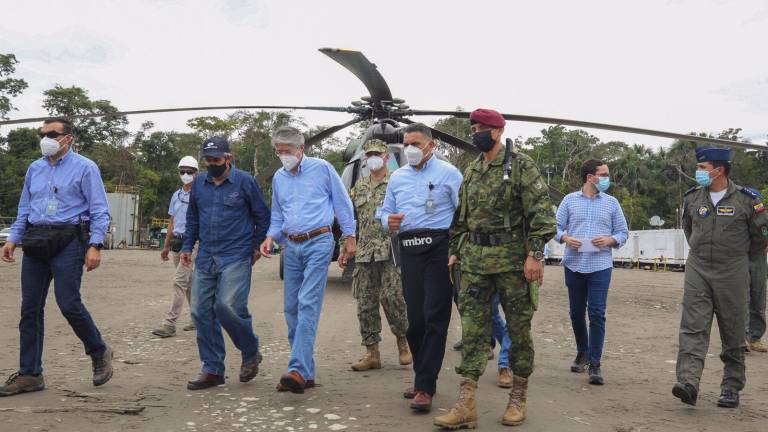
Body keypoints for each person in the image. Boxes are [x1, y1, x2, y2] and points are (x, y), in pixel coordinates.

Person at [434, 108, 556, 429]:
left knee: (518, 330)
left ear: (497, 131)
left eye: (481, 128)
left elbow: (543, 217)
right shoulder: (472, 170)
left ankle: (518, 395)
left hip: (513, 264)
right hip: (474, 263)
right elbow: (460, 220)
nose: (475, 132)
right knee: (473, 332)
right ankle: (466, 404)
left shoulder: (521, 167)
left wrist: (534, 255)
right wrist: (456, 252)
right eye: (473, 127)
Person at [0, 117, 114, 396]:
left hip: (69, 241)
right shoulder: (34, 169)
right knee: (30, 309)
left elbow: (100, 209)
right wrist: (13, 239)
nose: (46, 138)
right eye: (43, 134)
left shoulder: (86, 168)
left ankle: (99, 351)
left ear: (68, 138)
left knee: (68, 303)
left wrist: (95, 244)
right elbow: (24, 209)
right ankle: (30, 374)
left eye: (52, 133)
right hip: (37, 241)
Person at [259, 126, 356, 394]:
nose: (283, 156)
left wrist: (350, 235)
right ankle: (306, 372)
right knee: (291, 307)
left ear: (301, 150)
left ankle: (297, 369)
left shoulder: (322, 168)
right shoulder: (279, 177)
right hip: (291, 245)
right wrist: (270, 237)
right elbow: (278, 214)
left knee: (308, 303)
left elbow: (342, 203)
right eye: (279, 152)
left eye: (287, 152)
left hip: (319, 241)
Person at [672, 147, 768, 409]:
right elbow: (688, 228)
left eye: (702, 168)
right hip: (698, 268)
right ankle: (688, 382)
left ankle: (731, 387)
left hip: (733, 269)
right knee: (692, 326)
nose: (698, 172)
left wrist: (740, 262)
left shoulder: (748, 200)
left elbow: (761, 238)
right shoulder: (692, 198)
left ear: (719, 170)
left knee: (733, 328)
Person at [380, 122, 463, 412]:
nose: (410, 149)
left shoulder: (449, 174)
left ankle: (425, 387)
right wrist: (386, 221)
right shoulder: (397, 177)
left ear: (432, 146)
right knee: (414, 320)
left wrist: (457, 250)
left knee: (434, 317)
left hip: (439, 247)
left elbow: (462, 214)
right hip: (409, 248)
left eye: (416, 144)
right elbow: (385, 211)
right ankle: (421, 378)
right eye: (407, 144)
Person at [181, 136, 270, 390]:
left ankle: (250, 351)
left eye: (217, 159)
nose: (212, 164)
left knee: (228, 306)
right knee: (199, 311)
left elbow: (262, 216)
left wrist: (256, 246)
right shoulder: (199, 184)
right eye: (208, 160)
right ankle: (212, 368)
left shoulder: (244, 182)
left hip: (236, 254)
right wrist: (187, 246)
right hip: (207, 255)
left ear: (228, 158)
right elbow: (193, 220)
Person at [555, 159, 629, 385]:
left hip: (600, 265)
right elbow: (554, 228)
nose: (607, 178)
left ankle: (595, 363)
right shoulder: (569, 200)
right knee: (576, 313)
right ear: (590, 177)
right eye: (604, 174)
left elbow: (623, 232)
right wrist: (566, 238)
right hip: (574, 264)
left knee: (596, 312)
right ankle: (582, 352)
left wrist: (610, 239)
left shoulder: (612, 203)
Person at [340, 139, 411, 371]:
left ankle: (403, 341)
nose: (372, 158)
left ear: (386, 157)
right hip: (364, 253)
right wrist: (344, 244)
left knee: (393, 298)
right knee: (365, 304)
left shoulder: (397, 183)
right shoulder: (358, 187)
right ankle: (372, 352)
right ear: (364, 159)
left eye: (377, 154)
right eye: (369, 154)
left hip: (390, 250)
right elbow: (349, 219)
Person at [152, 156, 200, 338]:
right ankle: (198, 318)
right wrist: (165, 246)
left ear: (196, 174)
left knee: (179, 281)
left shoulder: (200, 195)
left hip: (192, 243)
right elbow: (171, 222)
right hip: (177, 242)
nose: (186, 175)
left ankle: (169, 324)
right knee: (188, 283)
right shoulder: (176, 195)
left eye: (190, 172)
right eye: (183, 172)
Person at [745, 222, 767, 353]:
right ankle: (742, 338)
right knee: (742, 299)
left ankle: (755, 338)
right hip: (741, 255)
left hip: (759, 256)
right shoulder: (735, 205)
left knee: (759, 298)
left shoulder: (759, 208)